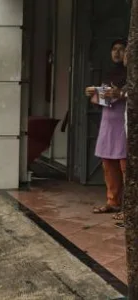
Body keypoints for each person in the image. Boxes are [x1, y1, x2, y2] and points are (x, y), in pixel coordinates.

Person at [85, 39, 127, 215]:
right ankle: (113, 201)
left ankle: (130, 207)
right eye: (114, 49)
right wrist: (93, 94)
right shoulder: (109, 73)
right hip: (108, 121)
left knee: (126, 165)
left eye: (121, 49)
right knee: (108, 163)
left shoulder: (132, 73)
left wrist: (122, 93)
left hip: (125, 122)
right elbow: (103, 99)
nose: (117, 53)